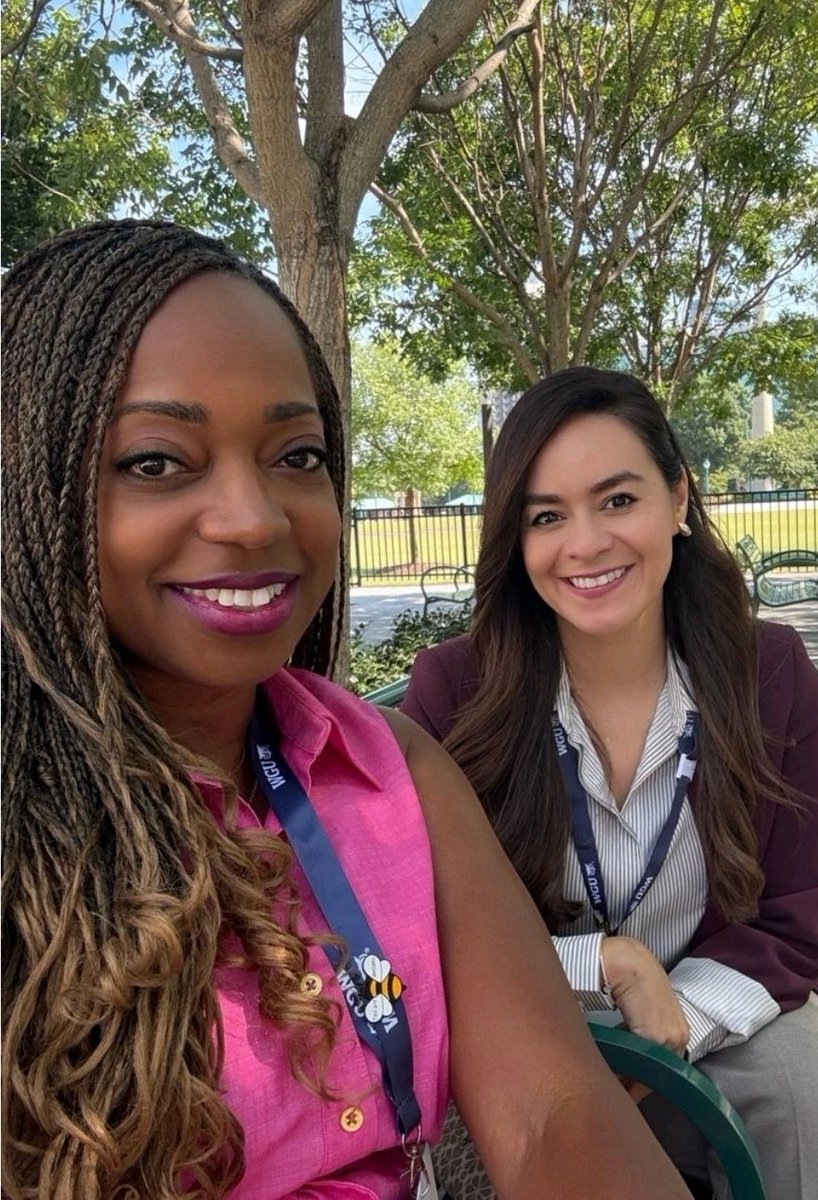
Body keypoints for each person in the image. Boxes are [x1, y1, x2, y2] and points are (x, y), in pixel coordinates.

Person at [0, 224, 691, 1200]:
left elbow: (553, 1113)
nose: (255, 518)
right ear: (28, 481)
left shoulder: (382, 766)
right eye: (157, 461)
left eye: (297, 454)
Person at [402, 367, 818, 1200]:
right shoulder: (455, 693)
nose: (584, 544)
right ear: (516, 539)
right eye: (547, 516)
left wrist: (672, 1023)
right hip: (532, 1004)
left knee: (801, 1101)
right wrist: (604, 966)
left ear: (678, 499)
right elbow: (425, 933)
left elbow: (795, 919)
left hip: (726, 997)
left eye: (617, 500)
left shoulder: (770, 674)